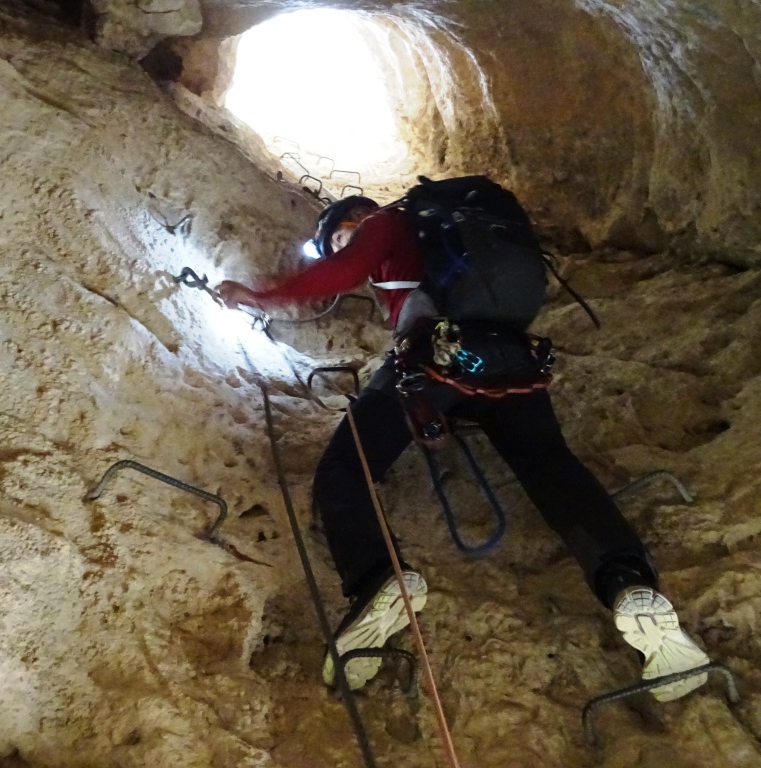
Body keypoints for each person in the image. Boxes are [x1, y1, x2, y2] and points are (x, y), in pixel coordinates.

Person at [216, 194, 710, 700]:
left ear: (353, 220)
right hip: (511, 362)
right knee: (552, 466)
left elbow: (343, 271)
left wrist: (259, 296)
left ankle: (376, 580)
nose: (342, 248)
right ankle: (629, 583)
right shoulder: (458, 244)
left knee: (346, 467)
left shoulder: (384, 223)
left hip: (433, 361)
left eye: (337, 238)